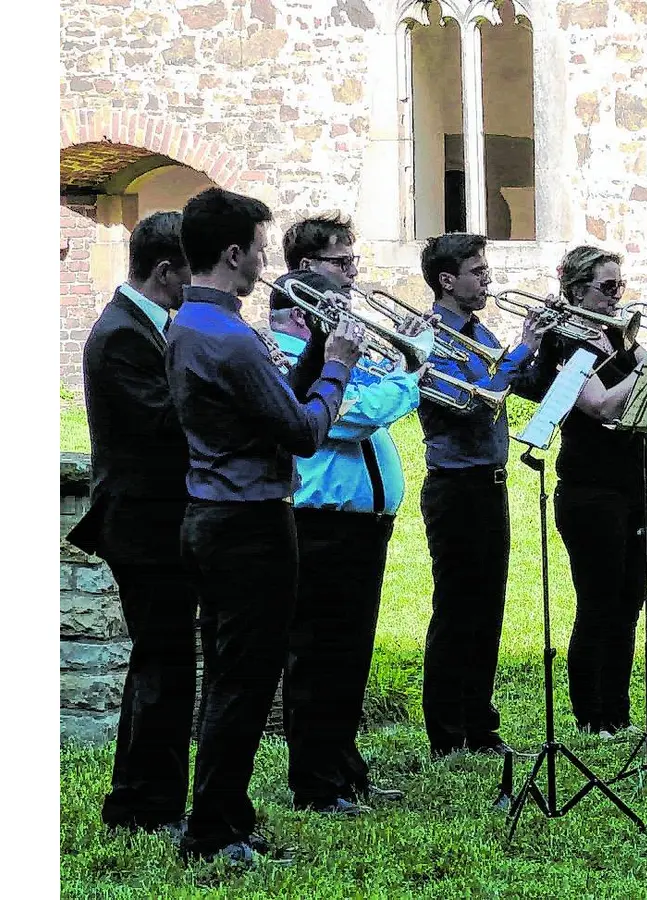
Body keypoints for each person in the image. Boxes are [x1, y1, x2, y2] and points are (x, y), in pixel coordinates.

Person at [165, 187, 363, 865]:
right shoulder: (227, 337)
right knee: (243, 686)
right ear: (232, 252)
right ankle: (213, 832)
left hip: (214, 519)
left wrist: (313, 358)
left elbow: (275, 404)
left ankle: (225, 821)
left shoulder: (193, 322)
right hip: (249, 525)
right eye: (256, 247)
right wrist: (337, 362)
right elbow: (305, 431)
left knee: (231, 678)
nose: (261, 260)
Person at [269, 214, 428, 814]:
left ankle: (345, 771)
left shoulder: (341, 341)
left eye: (354, 261)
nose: (354, 273)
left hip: (361, 524)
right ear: (307, 269)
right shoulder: (288, 349)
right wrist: (411, 375)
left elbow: (366, 392)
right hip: (322, 523)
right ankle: (316, 783)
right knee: (320, 654)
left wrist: (398, 363)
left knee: (350, 652)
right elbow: (348, 414)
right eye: (343, 263)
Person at [66, 211, 195, 840]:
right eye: (189, 275)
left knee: (167, 663)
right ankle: (145, 804)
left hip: (162, 518)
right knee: (162, 665)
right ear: (165, 271)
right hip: (143, 523)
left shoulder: (152, 328)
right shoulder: (119, 335)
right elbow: (163, 428)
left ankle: (148, 797)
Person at [530, 246, 647, 735]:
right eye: (609, 287)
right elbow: (599, 405)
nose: (620, 295)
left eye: (621, 285)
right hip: (589, 489)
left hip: (634, 481)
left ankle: (616, 711)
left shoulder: (619, 338)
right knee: (597, 601)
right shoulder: (563, 344)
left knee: (630, 598)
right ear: (578, 291)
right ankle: (589, 714)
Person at [415, 232, 547, 759]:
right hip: (455, 485)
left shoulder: (479, 331)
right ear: (448, 280)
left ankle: (479, 724)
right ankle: (447, 732)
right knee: (456, 609)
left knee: (488, 609)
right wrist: (520, 351)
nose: (487, 279)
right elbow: (475, 401)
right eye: (477, 271)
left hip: (490, 482)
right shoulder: (430, 338)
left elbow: (516, 383)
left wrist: (546, 348)